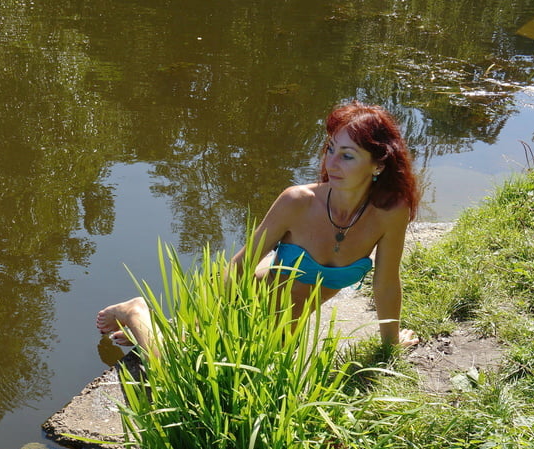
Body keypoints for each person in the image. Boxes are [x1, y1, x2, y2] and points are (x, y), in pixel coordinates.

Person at [96, 100, 420, 352]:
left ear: (378, 164)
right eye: (330, 149)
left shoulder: (389, 212)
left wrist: (389, 342)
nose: (330, 163)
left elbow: (387, 284)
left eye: (347, 156)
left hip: (280, 332)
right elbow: (241, 266)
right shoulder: (298, 201)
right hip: (241, 301)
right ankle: (136, 311)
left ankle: (157, 331)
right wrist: (201, 322)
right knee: (169, 368)